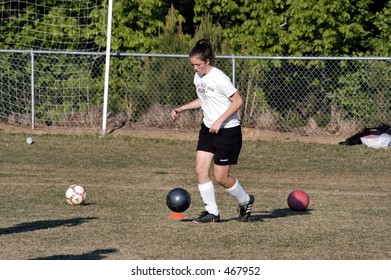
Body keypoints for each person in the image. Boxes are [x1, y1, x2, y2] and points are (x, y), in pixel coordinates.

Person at [171, 39, 254, 223]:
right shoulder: (198, 77)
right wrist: (182, 108)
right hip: (208, 129)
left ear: (207, 61)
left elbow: (238, 101)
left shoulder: (219, 78)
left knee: (221, 178)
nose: (195, 68)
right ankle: (212, 212)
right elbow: (204, 100)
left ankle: (246, 201)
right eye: (192, 65)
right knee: (200, 169)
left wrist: (219, 120)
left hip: (228, 132)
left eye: (197, 64)